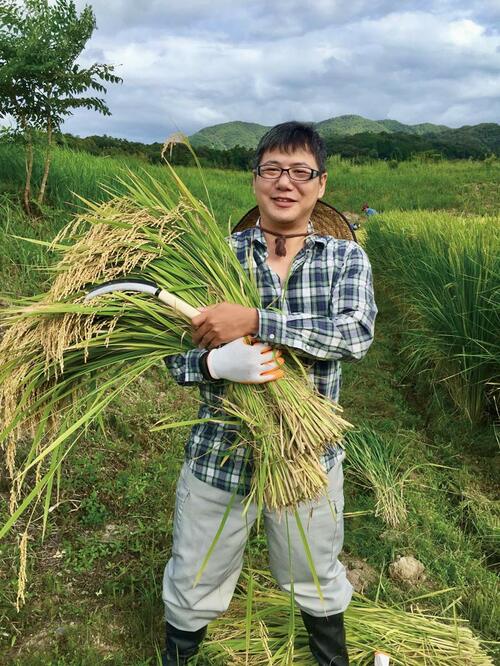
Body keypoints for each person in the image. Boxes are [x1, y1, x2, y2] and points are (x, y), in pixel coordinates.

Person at [162, 121, 377, 665]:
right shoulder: (216, 257)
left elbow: (355, 336)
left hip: (306, 457)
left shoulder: (343, 259)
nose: (286, 182)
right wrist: (214, 363)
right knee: (194, 574)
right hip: (221, 451)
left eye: (300, 172)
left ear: (320, 184)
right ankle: (178, 655)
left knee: (314, 573)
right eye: (273, 169)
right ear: (255, 178)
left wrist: (258, 320)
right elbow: (170, 359)